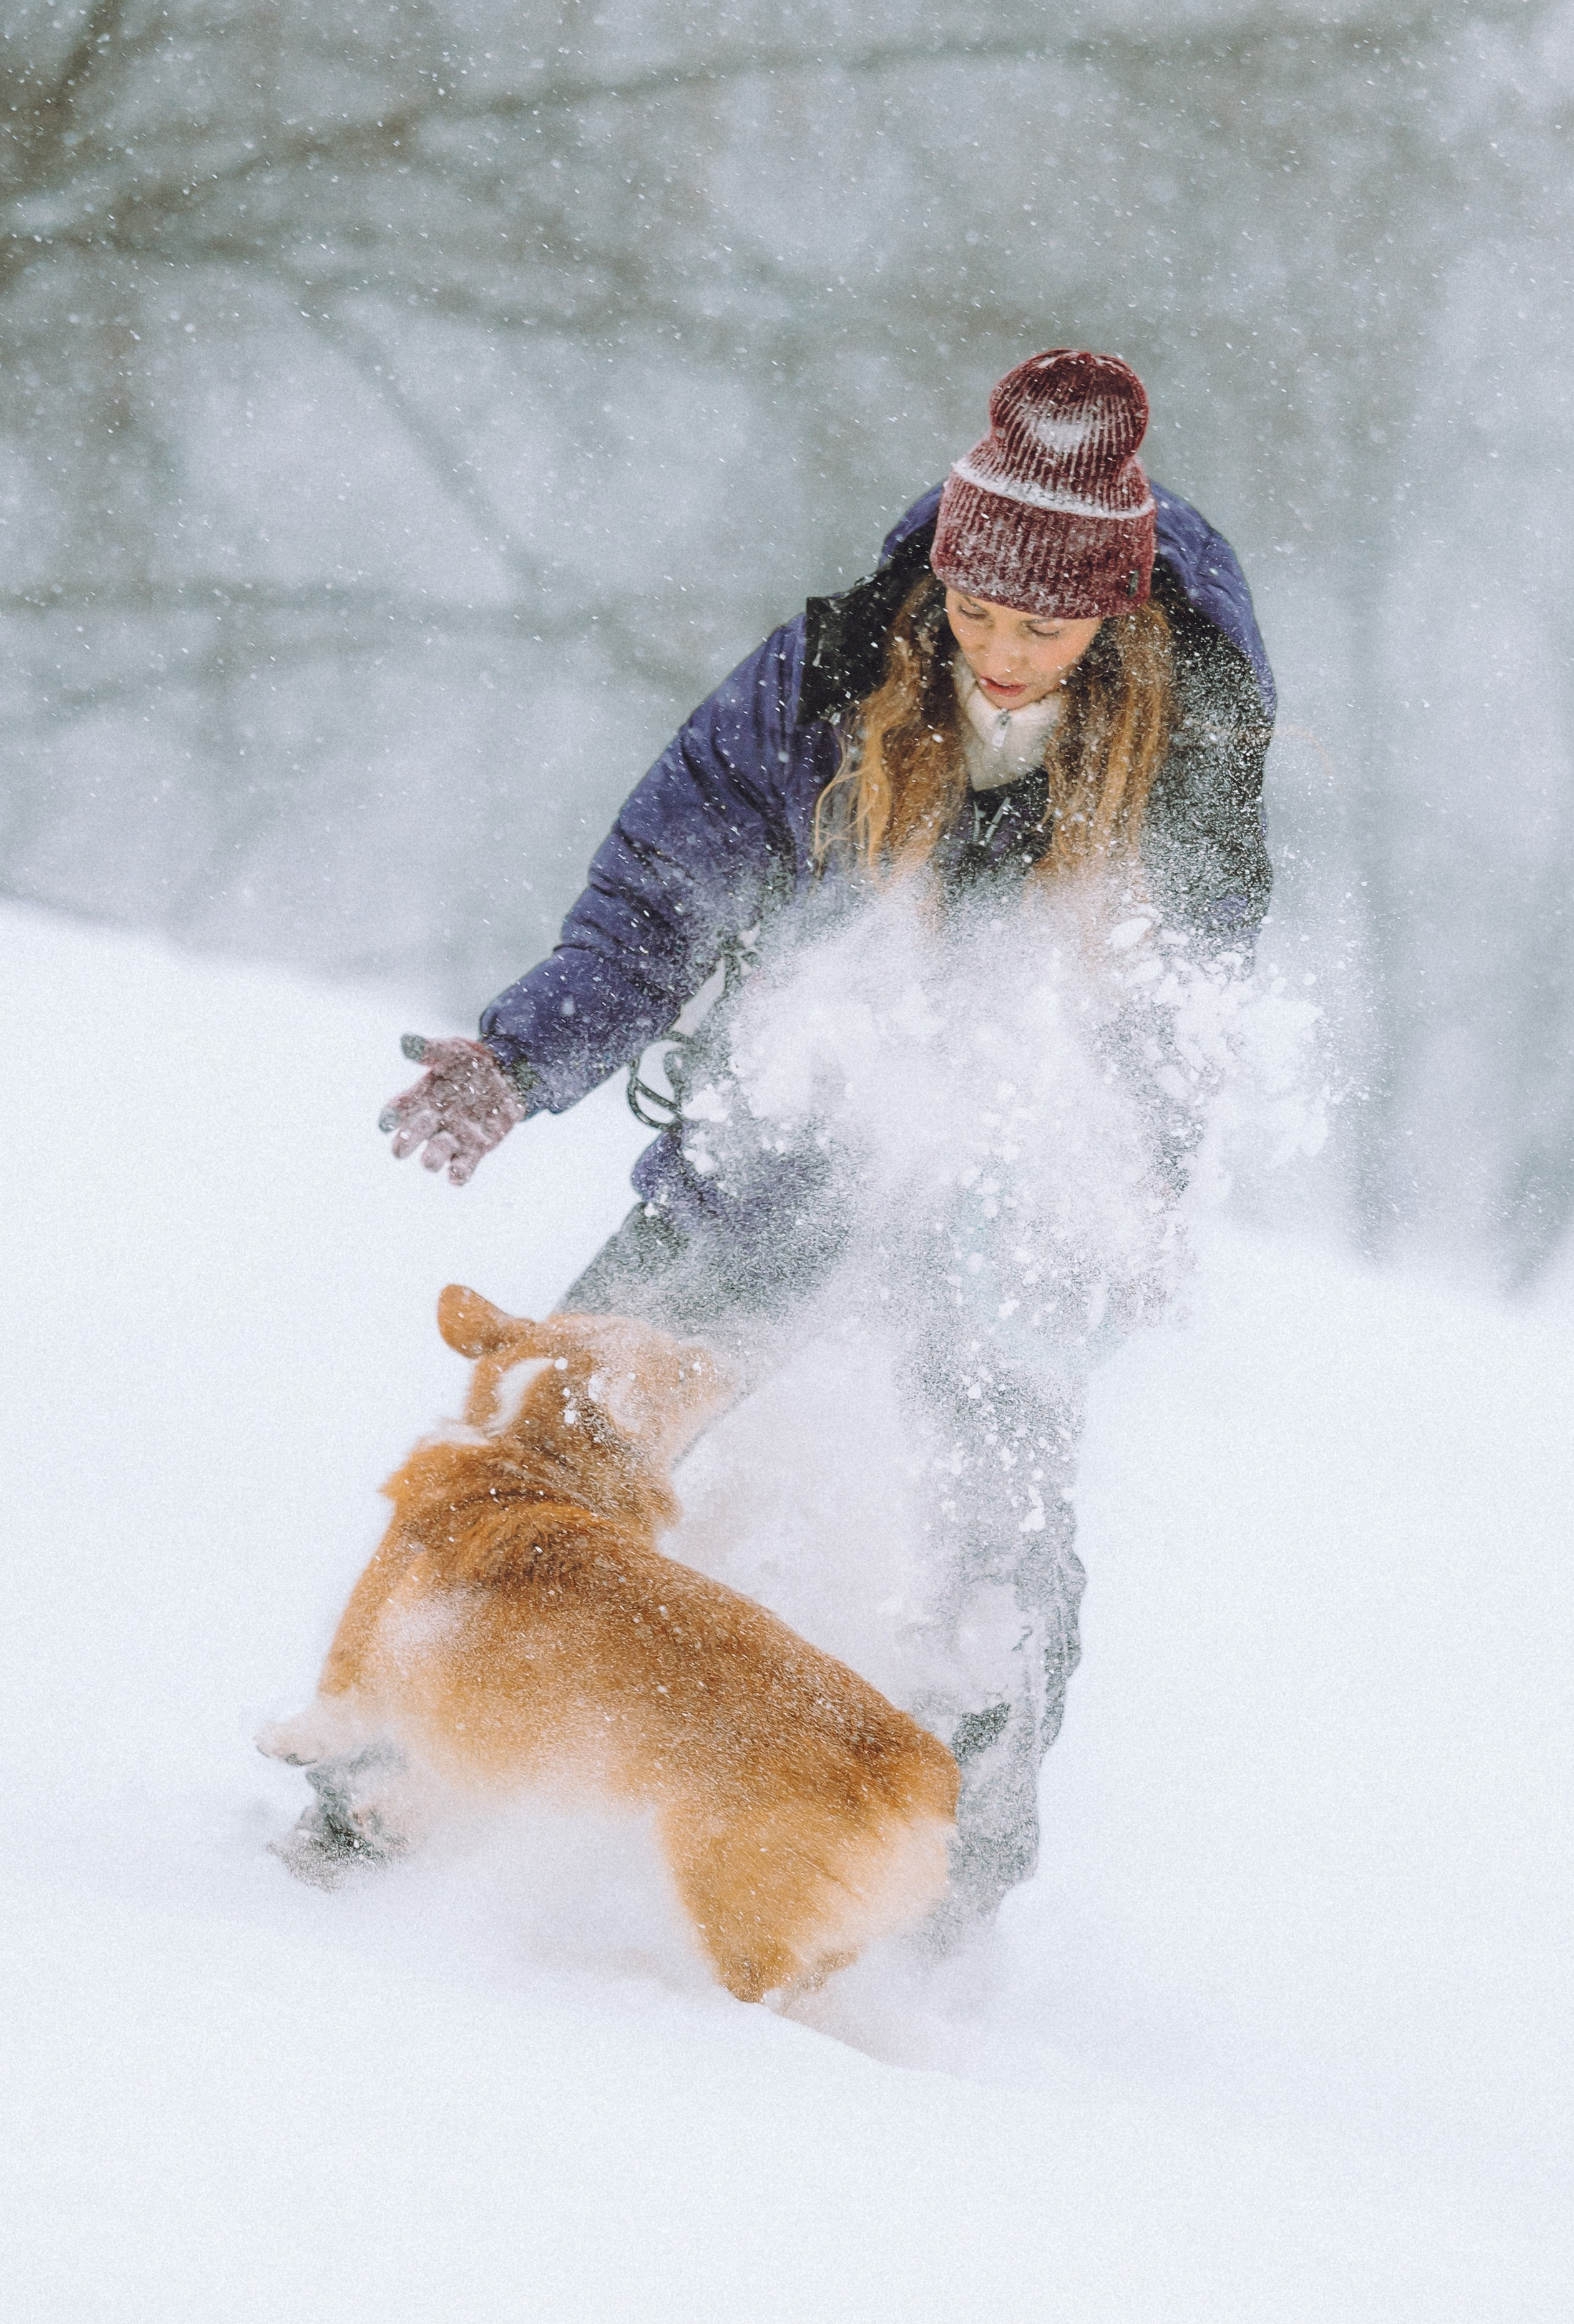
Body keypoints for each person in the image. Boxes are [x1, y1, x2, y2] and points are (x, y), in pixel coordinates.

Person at [379, 349, 1276, 1938]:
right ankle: (391, 1774)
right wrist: (521, 1058)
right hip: (774, 1149)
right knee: (558, 1448)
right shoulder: (826, 678)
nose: (1000, 659)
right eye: (978, 619)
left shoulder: (1188, 751)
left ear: (1111, 621)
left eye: (1041, 628)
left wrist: (1128, 1186)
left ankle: (933, 1911)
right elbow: (656, 896)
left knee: (991, 1551)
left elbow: (1169, 1020)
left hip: (1006, 1202)